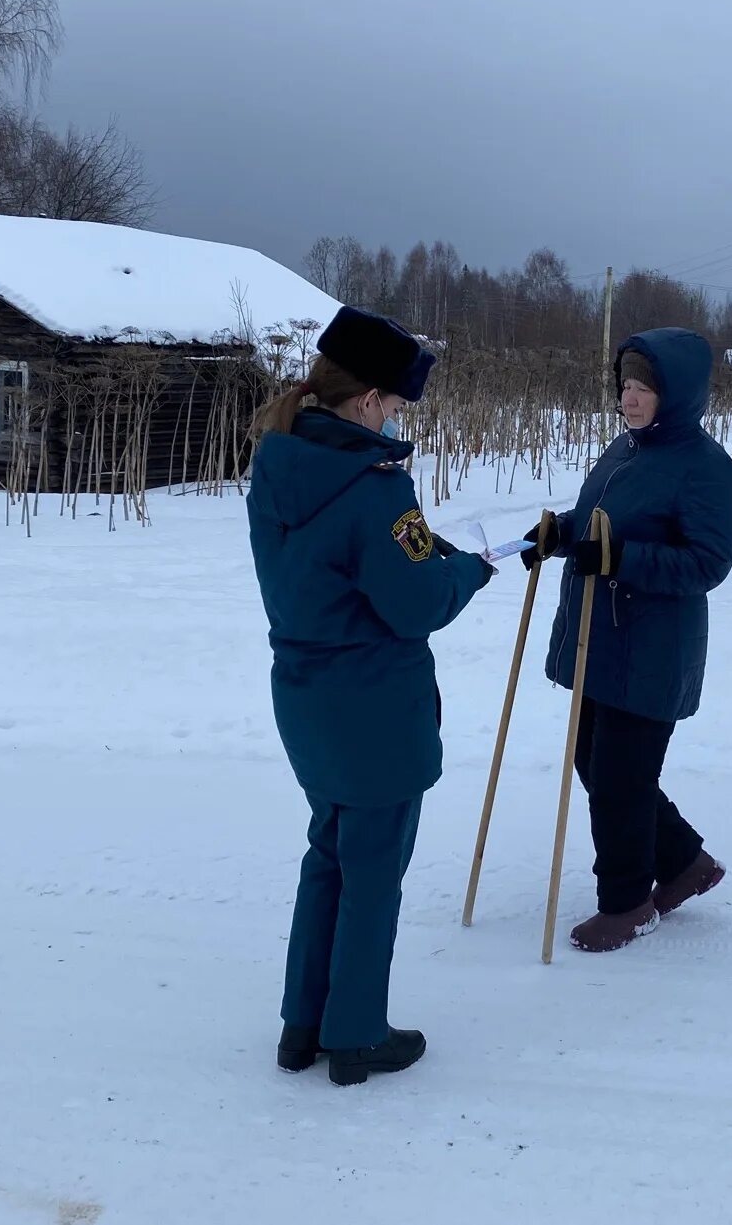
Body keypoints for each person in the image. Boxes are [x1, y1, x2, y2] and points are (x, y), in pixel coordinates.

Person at [246, 305, 493, 1084]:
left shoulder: (279, 465)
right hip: (375, 705)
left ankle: (303, 1023)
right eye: (393, 405)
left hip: (306, 698)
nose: (395, 421)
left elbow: (360, 566)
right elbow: (417, 601)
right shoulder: (377, 488)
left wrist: (425, 551)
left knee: (329, 855)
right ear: (364, 401)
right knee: (374, 869)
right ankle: (355, 1033)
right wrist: (472, 569)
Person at [521, 327, 732, 953]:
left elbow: (707, 563)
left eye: (645, 387)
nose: (631, 398)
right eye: (626, 385)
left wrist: (619, 558)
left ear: (678, 394)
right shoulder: (625, 450)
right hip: (601, 639)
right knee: (597, 762)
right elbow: (598, 523)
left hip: (651, 648)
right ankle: (683, 864)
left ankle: (626, 904)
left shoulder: (705, 467)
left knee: (619, 777)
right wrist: (558, 534)